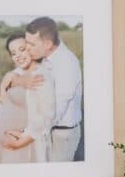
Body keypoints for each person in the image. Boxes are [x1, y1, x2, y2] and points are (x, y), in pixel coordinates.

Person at [11, 17, 83, 162]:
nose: (27, 48)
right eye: (27, 42)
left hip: (62, 135)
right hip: (46, 131)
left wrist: (29, 135)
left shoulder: (67, 64)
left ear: (48, 44)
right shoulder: (44, 57)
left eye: (31, 44)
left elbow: (56, 108)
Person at [0, 34, 55, 163]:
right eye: (13, 53)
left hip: (25, 143)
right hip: (5, 142)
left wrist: (19, 143)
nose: (18, 56)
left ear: (31, 48)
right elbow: (3, 103)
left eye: (22, 49)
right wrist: (4, 88)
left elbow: (46, 118)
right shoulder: (14, 74)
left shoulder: (41, 76)